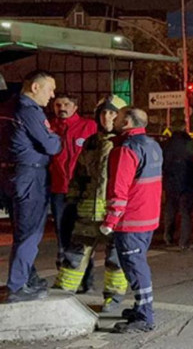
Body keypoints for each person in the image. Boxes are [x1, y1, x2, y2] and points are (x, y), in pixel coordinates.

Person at [54, 95, 129, 313]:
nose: (107, 117)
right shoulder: (91, 142)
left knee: (115, 259)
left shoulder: (126, 143)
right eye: (103, 112)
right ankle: (61, 294)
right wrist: (72, 201)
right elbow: (79, 175)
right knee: (74, 256)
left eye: (112, 113)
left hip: (116, 214)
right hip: (87, 212)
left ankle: (113, 298)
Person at [99, 107, 162, 333]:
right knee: (138, 264)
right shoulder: (153, 145)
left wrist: (110, 220)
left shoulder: (126, 149)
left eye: (117, 117)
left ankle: (145, 316)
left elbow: (119, 188)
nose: (113, 119)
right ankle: (141, 308)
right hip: (148, 216)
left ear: (126, 122)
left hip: (131, 219)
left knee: (135, 268)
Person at [3, 70, 61, 303]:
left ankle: (28, 277)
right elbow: (51, 145)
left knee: (21, 230)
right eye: (50, 89)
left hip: (9, 174)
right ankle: (17, 286)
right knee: (30, 233)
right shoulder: (29, 110)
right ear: (35, 87)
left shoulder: (6, 107)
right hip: (30, 175)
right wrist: (56, 137)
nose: (52, 95)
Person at [49, 93, 97, 271]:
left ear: (75, 107)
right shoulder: (49, 127)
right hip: (59, 187)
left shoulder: (88, 126)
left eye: (66, 104)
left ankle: (86, 266)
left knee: (83, 228)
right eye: (58, 105)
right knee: (61, 226)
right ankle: (63, 258)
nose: (62, 108)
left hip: (83, 189)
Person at [162, 129, 193, 251]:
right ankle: (184, 242)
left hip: (170, 182)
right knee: (186, 212)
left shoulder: (166, 144)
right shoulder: (192, 144)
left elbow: (162, 164)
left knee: (170, 210)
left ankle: (168, 237)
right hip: (188, 182)